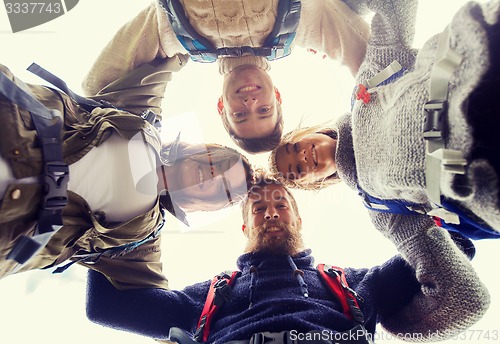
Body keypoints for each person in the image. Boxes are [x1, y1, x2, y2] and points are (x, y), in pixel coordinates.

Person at [85, 176, 489, 343]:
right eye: (258, 209)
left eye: (281, 203)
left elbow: (456, 246)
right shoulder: (209, 295)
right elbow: (108, 304)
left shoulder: (350, 282)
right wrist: (125, 210)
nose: (271, 212)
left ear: (298, 216)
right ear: (245, 227)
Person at [0, 55, 253, 289]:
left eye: (224, 188)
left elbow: (162, 309)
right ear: (208, 151)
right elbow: (166, 44)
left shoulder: (144, 242)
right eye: (219, 164)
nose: (213, 176)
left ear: (211, 202)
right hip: (10, 121)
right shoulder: (141, 116)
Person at [269, 0, 500, 239]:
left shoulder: (367, 85)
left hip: (484, 62)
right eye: (297, 169)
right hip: (486, 178)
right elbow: (428, 256)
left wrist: (348, 5)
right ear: (314, 183)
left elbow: (395, 8)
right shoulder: (379, 207)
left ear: (308, 132)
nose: (302, 156)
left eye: (295, 147)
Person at [82, 0, 371, 153]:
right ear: (278, 96)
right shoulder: (303, 23)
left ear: (222, 106)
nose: (250, 101)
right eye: (264, 109)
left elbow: (98, 84)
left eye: (241, 115)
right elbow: (371, 61)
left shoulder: (177, 37)